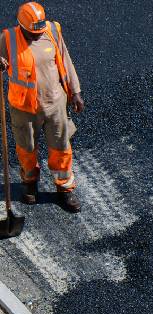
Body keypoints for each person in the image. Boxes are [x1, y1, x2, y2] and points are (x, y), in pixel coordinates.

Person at [0, 2, 84, 212]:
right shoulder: (8, 38)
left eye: (39, 32)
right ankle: (29, 183)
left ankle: (64, 189)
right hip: (23, 108)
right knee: (26, 149)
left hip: (54, 104)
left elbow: (65, 60)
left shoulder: (51, 31)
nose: (37, 36)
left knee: (61, 148)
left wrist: (75, 92)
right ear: (22, 27)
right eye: (31, 33)